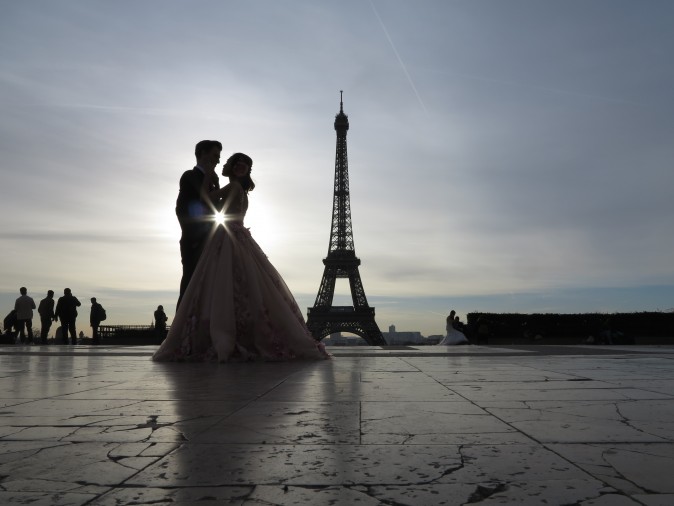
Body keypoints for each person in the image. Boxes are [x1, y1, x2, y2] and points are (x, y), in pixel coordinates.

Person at [153, 152, 329, 362]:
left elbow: (208, 203)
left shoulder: (234, 187)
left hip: (227, 237)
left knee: (220, 287)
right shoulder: (241, 191)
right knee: (242, 290)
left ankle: (222, 334)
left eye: (227, 162)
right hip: (239, 236)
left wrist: (209, 178)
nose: (224, 164)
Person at [175, 140, 223, 308]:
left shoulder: (212, 181)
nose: (218, 160)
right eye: (215, 155)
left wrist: (216, 184)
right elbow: (183, 209)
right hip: (193, 241)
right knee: (190, 284)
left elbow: (218, 209)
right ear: (202, 153)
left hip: (211, 240)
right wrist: (194, 236)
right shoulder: (189, 176)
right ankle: (180, 329)